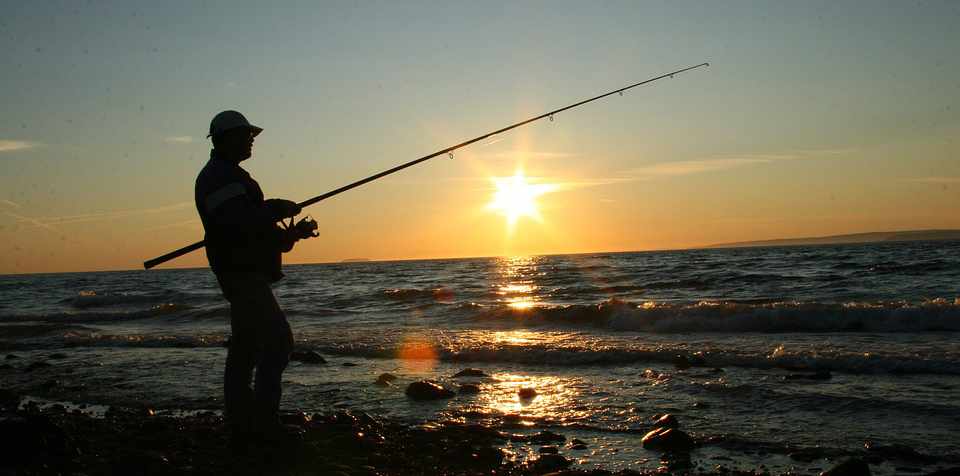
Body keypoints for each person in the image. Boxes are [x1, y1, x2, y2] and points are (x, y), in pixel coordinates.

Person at [194, 110, 318, 448]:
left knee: (246, 348)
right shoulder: (218, 177)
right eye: (245, 135)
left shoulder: (229, 176)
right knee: (278, 343)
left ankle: (241, 422)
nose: (251, 140)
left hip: (246, 272)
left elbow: (252, 231)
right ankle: (262, 423)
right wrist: (276, 207)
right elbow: (238, 222)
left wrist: (292, 235)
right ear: (225, 138)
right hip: (241, 274)